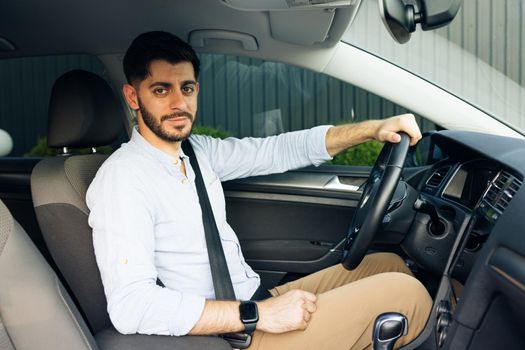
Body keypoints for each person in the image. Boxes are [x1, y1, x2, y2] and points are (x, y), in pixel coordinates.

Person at [87, 31, 432, 350]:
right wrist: (259, 315)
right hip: (233, 334)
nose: (179, 103)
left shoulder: (197, 152)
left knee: (388, 265)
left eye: (187, 88)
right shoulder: (123, 179)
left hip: (254, 301)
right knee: (406, 294)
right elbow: (131, 306)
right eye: (162, 90)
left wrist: (373, 129)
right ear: (133, 96)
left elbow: (279, 150)